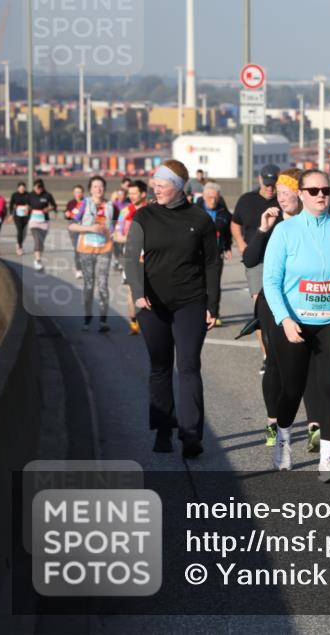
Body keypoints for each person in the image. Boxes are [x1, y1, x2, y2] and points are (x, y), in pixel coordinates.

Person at [263, 169, 330, 480]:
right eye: (314, 190)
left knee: (329, 387)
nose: (321, 195)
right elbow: (271, 281)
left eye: (326, 189)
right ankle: (283, 441)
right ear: (302, 194)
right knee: (292, 389)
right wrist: (285, 319)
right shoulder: (285, 231)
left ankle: (328, 461)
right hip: (295, 323)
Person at [124, 160, 220, 459]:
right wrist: (138, 294)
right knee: (161, 366)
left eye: (161, 184)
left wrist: (212, 304)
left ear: (178, 187)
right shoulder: (145, 215)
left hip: (190, 302)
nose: (156, 188)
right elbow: (130, 258)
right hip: (152, 305)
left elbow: (212, 263)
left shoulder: (200, 219)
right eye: (154, 184)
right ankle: (164, 429)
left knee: (189, 365)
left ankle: (191, 434)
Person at [243, 169, 320, 453]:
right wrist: (263, 229)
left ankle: (314, 426)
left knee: (310, 364)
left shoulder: (315, 221)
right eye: (279, 194)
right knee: (274, 363)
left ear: (300, 194)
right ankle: (272, 422)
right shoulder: (272, 223)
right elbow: (250, 259)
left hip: (308, 302)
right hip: (272, 303)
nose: (281, 198)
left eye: (286, 194)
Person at [232, 164, 281, 381]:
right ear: (260, 180)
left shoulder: (285, 201)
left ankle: (283, 352)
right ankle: (267, 356)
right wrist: (241, 244)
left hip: (281, 262)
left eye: (274, 184)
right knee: (261, 309)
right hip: (256, 261)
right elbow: (235, 223)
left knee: (280, 309)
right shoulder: (247, 200)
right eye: (267, 183)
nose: (270, 188)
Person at [69, 176, 116, 332]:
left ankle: (103, 320)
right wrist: (90, 229)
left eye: (101, 186)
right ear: (90, 189)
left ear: (105, 188)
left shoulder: (110, 206)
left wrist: (115, 233)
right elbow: (72, 226)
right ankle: (87, 317)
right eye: (95, 186)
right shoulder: (84, 204)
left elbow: (115, 226)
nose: (99, 189)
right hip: (86, 250)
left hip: (105, 249)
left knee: (103, 285)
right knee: (88, 286)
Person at [112, 180, 148, 334]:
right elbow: (117, 236)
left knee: (151, 289)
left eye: (135, 193)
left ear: (143, 194)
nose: (131, 196)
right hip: (131, 254)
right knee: (131, 290)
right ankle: (134, 323)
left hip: (150, 254)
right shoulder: (125, 212)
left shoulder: (152, 210)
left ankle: (150, 322)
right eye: (130, 193)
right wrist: (132, 238)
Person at [201, 181, 233, 325]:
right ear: (203, 196)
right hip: (197, 253)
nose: (212, 200)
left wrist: (228, 247)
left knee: (213, 286)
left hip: (216, 253)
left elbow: (227, 231)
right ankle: (199, 312)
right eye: (209, 197)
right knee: (199, 285)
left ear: (219, 197)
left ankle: (214, 314)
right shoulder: (195, 210)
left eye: (215, 197)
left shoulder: (224, 212)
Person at [28, 179, 59, 272]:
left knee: (41, 242)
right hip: (33, 221)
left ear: (43, 187)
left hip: (44, 221)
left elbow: (54, 206)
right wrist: (27, 209)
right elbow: (26, 205)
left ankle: (38, 258)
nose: (38, 190)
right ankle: (37, 261)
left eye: (40, 188)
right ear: (34, 187)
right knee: (37, 240)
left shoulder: (47, 195)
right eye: (36, 188)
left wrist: (49, 209)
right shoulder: (30, 195)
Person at [64, 185, 86, 278]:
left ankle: (85, 267)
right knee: (77, 248)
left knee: (85, 249)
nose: (78, 194)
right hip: (73, 226)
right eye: (76, 192)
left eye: (80, 192)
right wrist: (67, 214)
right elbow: (67, 215)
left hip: (85, 226)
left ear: (83, 193)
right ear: (73, 193)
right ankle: (78, 269)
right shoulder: (71, 203)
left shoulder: (87, 202)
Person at [9, 181, 31, 256]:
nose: (22, 189)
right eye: (20, 188)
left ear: (25, 188)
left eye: (23, 188)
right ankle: (19, 247)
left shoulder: (28, 195)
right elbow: (11, 204)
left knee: (24, 232)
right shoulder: (14, 195)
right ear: (18, 188)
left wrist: (28, 207)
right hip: (17, 215)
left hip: (26, 215)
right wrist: (11, 214)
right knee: (20, 230)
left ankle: (19, 243)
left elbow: (32, 203)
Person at [111, 186, 131, 271]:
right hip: (114, 227)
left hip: (124, 228)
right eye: (119, 194)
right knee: (116, 246)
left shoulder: (128, 205)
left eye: (122, 194)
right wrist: (111, 230)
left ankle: (121, 262)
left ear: (125, 195)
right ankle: (117, 259)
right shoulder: (113, 204)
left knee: (124, 246)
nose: (120, 196)